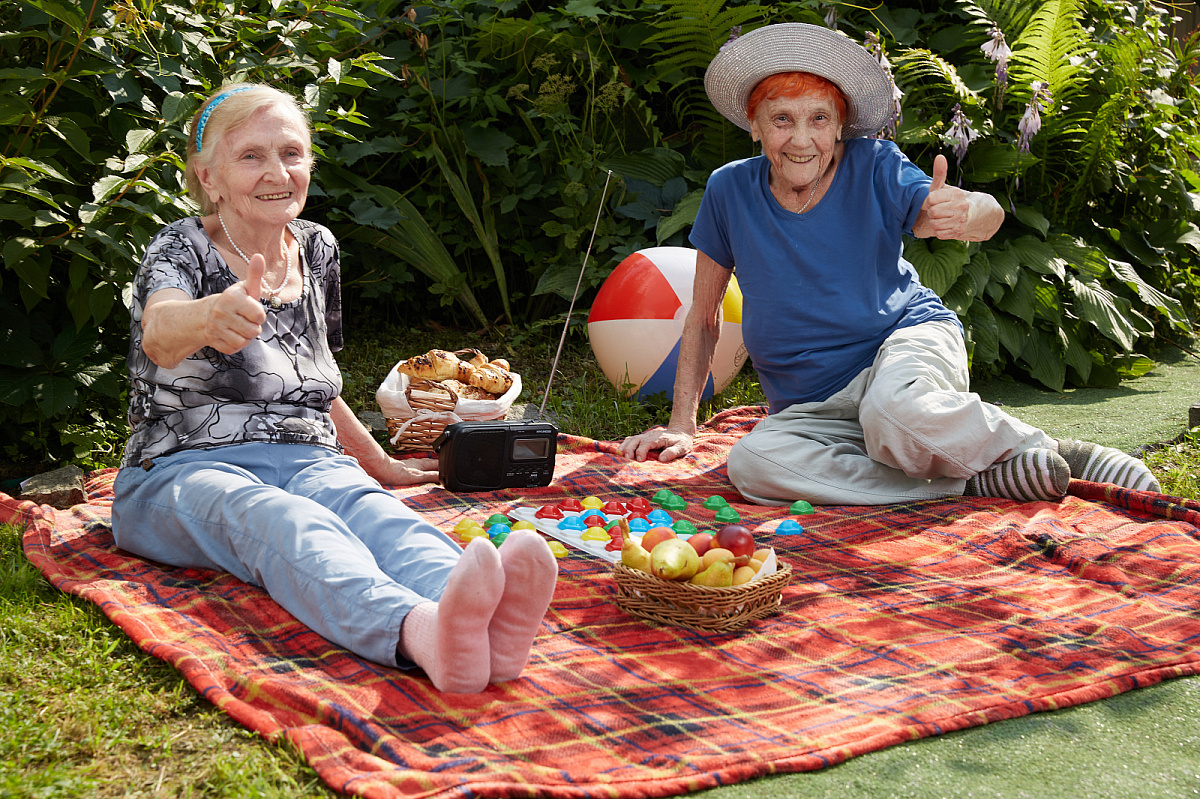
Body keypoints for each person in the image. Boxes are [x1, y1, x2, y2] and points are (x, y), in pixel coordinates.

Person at [111, 84, 558, 694]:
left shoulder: (317, 247)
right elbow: (161, 333)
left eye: (291, 153)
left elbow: (313, 379)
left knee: (378, 516)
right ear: (208, 177)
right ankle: (419, 633)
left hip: (306, 456)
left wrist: (379, 464)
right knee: (285, 521)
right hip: (179, 469)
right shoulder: (179, 247)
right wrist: (207, 316)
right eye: (251, 156)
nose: (277, 173)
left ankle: (490, 627)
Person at [618, 23, 1159, 505]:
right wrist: (682, 423)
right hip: (811, 407)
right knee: (753, 464)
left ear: (840, 125)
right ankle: (967, 482)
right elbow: (704, 315)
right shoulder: (728, 189)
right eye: (781, 119)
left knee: (892, 415)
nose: (801, 139)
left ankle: (1054, 451)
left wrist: (967, 211)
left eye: (819, 118)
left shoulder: (875, 165)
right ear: (754, 126)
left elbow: (978, 215)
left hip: (900, 353)